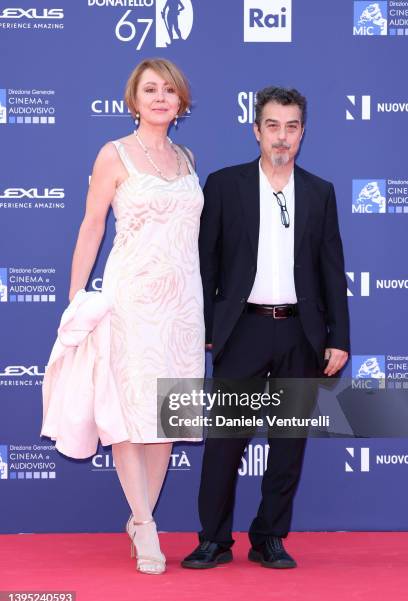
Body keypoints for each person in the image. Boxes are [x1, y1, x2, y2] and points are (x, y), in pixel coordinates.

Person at [182, 86, 350, 570]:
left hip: (300, 334)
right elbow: (205, 266)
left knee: (288, 447)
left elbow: (331, 271)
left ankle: (269, 536)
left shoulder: (320, 192)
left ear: (303, 133)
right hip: (243, 331)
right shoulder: (223, 184)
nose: (282, 136)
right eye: (272, 126)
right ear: (256, 130)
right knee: (224, 446)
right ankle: (214, 539)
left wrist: (339, 337)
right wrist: (209, 326)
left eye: (291, 126)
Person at [65, 58, 204, 574]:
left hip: (183, 305)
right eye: (151, 89)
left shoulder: (186, 157)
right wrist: (77, 295)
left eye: (170, 90)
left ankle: (140, 515)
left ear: (181, 101)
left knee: (165, 418)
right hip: (130, 300)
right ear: (134, 99)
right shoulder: (114, 154)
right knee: (127, 415)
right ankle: (145, 525)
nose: (161, 98)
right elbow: (91, 225)